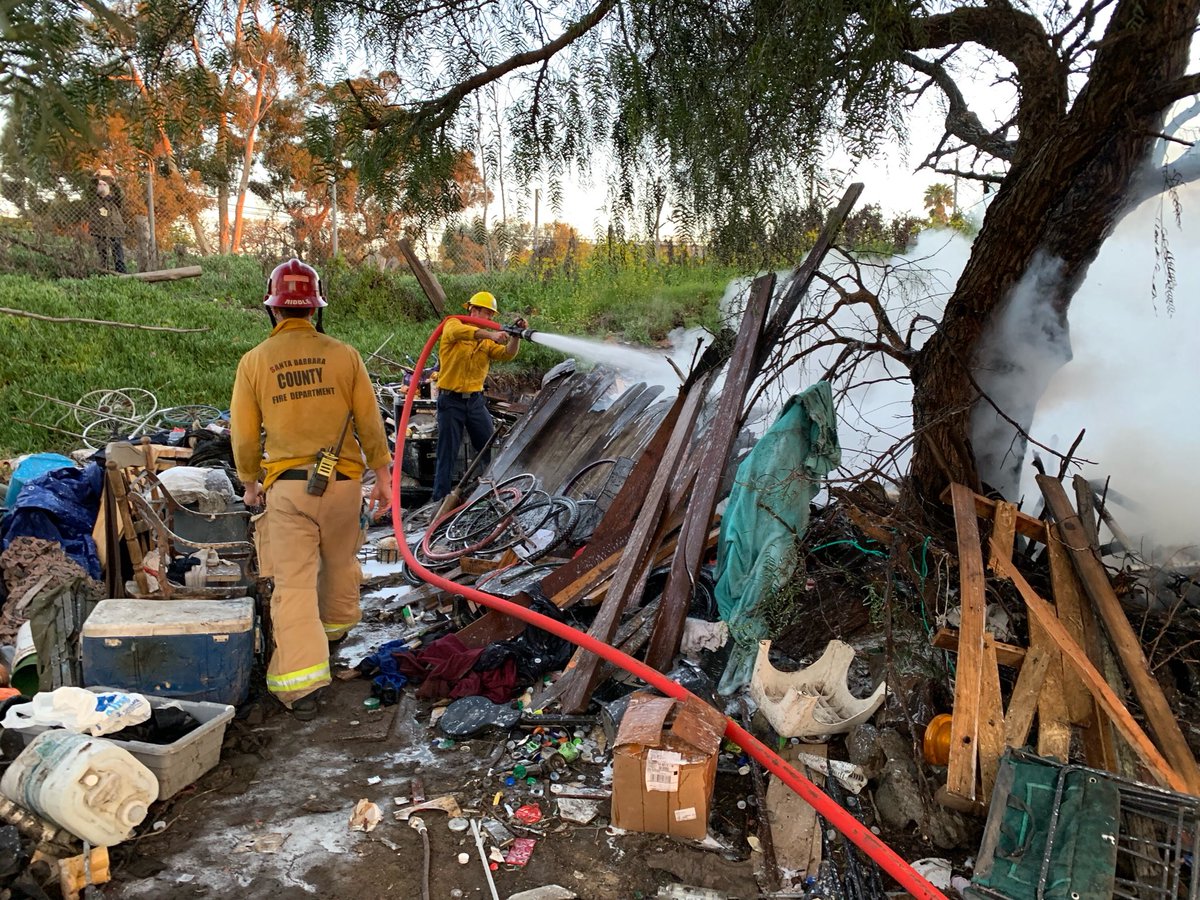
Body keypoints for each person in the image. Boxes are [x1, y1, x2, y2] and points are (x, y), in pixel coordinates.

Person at [230, 259, 392, 720]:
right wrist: (383, 478)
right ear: (315, 308)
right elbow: (370, 422)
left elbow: (244, 436)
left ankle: (301, 684)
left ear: (273, 308)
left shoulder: (254, 362)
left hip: (289, 491)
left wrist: (249, 484)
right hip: (343, 487)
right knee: (340, 562)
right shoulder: (345, 356)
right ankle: (336, 631)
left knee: (295, 583)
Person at [431, 291, 523, 503]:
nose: (490, 318)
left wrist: (515, 337)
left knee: (489, 446)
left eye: (491, 314)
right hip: (450, 401)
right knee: (447, 453)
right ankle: (439, 502)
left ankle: (491, 495)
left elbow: (507, 353)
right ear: (473, 310)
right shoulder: (453, 324)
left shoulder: (486, 342)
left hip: (475, 402)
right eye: (487, 313)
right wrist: (490, 335)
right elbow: (460, 332)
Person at [88, 167, 126, 273]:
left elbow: (121, 195)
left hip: (115, 231)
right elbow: (90, 190)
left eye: (104, 184)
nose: (102, 186)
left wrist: (114, 182)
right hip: (99, 231)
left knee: (118, 256)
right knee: (103, 257)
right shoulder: (94, 200)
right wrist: (95, 178)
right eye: (99, 184)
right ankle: (105, 274)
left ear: (109, 188)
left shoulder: (115, 201)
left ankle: (122, 274)